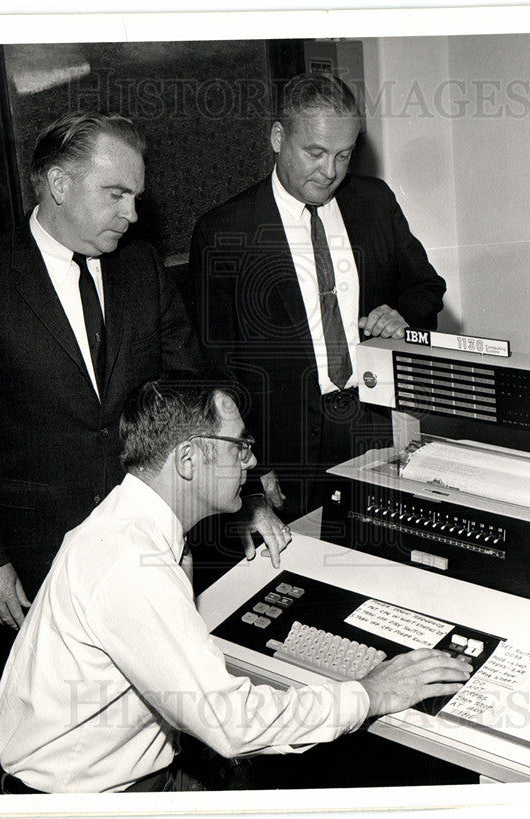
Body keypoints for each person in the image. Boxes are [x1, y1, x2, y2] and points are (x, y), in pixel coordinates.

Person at [0, 372, 472, 793]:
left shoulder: (128, 523)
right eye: (239, 446)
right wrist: (371, 693)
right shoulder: (131, 563)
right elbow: (231, 723)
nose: (249, 461)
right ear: (188, 460)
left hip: (106, 773)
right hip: (87, 801)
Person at [0, 112, 220, 630]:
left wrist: (201, 513)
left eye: (136, 197)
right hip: (36, 553)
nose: (131, 213)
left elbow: (188, 393)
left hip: (145, 542)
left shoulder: (142, 267)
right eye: (116, 194)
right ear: (59, 184)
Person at [190, 72, 447, 523]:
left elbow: (427, 286)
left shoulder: (374, 201)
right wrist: (251, 470)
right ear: (277, 137)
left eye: (344, 155)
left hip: (375, 426)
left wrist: (402, 313)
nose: (330, 171)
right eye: (315, 152)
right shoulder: (223, 232)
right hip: (281, 453)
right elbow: (218, 368)